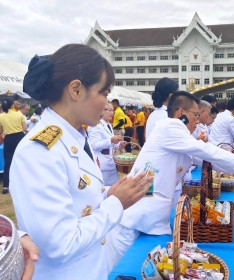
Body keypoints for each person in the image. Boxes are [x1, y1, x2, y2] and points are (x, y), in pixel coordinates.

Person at [10, 44, 153, 280]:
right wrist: (116, 203)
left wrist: (107, 193)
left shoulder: (73, 136)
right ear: (76, 90)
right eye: (104, 93)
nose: (107, 104)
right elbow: (60, 245)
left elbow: (78, 198)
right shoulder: (39, 150)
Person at [106, 91, 234, 267]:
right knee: (121, 267)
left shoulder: (179, 135)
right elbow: (203, 150)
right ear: (181, 113)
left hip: (150, 213)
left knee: (142, 265)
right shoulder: (170, 127)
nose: (197, 120)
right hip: (136, 213)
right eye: (195, 115)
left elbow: (206, 158)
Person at [88, 102, 127, 185]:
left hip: (110, 162)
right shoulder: (95, 124)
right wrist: (111, 140)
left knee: (113, 188)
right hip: (102, 164)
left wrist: (118, 144)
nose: (111, 113)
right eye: (108, 110)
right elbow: (93, 145)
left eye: (112, 110)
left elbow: (109, 143)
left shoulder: (108, 124)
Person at [0, 98, 27, 194]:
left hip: (9, 139)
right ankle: (24, 183)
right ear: (12, 105)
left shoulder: (1, 116)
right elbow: (24, 128)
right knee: (22, 160)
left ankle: (6, 186)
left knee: (8, 162)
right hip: (19, 137)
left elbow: (1, 131)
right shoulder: (19, 114)